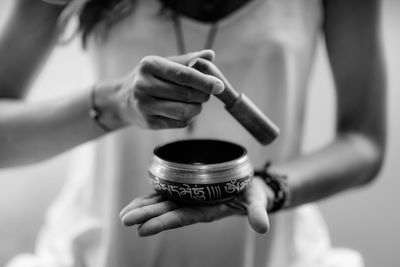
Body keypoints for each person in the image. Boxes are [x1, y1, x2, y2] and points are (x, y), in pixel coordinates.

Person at [1, 0, 385, 266]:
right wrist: (114, 103)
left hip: (273, 255)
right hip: (97, 251)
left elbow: (363, 144)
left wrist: (270, 188)